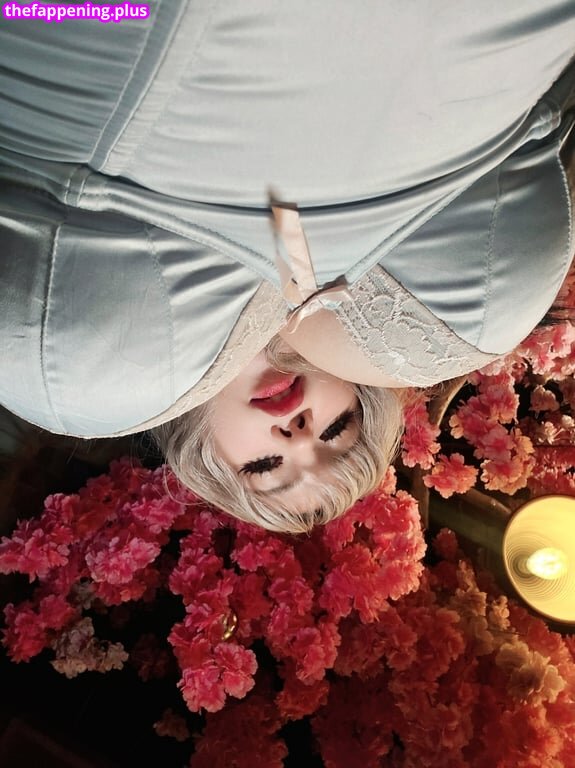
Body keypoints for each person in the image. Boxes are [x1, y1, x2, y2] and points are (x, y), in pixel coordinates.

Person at [1, 1, 574, 532]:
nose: (299, 435)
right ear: (363, 394)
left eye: (266, 465)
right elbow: (286, 212)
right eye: (336, 429)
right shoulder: (383, 307)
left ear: (203, 457)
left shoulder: (101, 384)